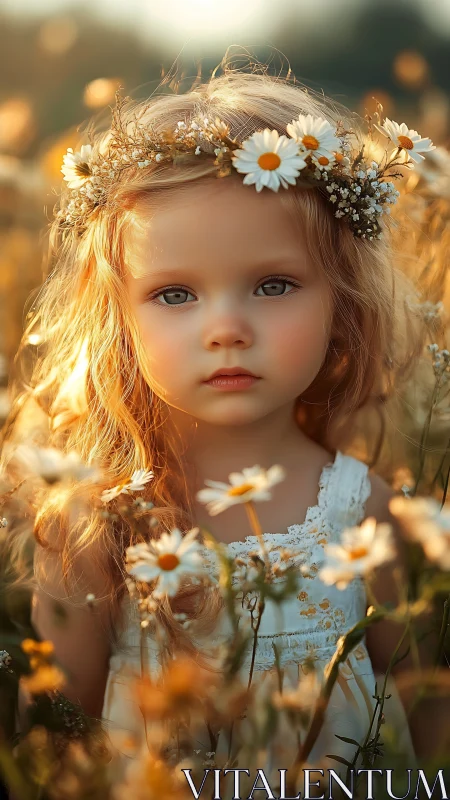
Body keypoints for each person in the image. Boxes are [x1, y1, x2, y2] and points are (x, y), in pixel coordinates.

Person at [0, 63, 437, 782]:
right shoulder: (96, 522)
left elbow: (426, 713)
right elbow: (54, 731)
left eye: (273, 285)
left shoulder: (371, 516)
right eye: (175, 294)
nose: (227, 328)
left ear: (344, 304)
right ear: (119, 320)